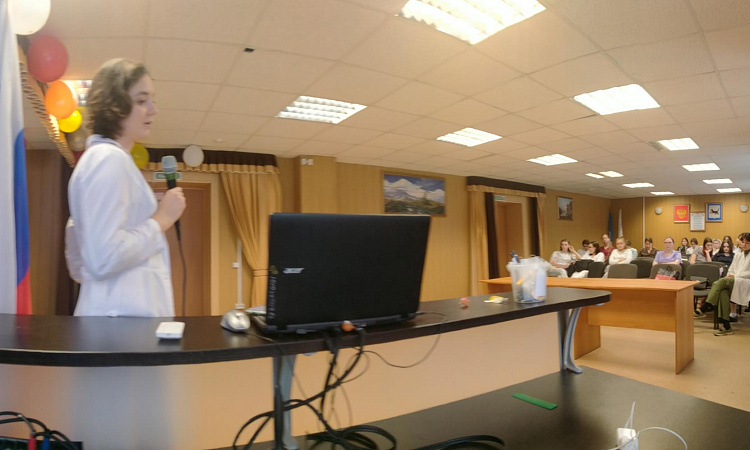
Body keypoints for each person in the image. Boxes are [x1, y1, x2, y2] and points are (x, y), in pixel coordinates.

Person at [65, 59, 186, 317]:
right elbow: (104, 258)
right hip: (118, 327)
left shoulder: (105, 160)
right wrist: (162, 219)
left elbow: (79, 262)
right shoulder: (108, 160)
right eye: (142, 100)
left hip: (117, 322)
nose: (153, 109)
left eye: (152, 100)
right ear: (115, 106)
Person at [696, 232, 750, 336]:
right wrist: (730, 275)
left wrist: (735, 276)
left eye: (747, 243)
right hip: (736, 280)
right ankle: (726, 326)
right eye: (743, 242)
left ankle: (707, 305)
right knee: (723, 292)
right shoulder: (739, 254)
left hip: (746, 282)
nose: (744, 245)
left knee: (721, 282)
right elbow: (732, 269)